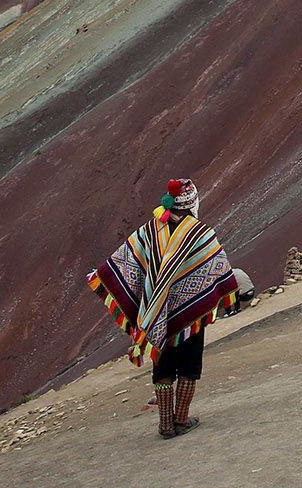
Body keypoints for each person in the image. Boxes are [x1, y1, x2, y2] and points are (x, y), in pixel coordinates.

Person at [89, 178, 237, 438]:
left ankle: (165, 424)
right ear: (191, 203)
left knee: (163, 366)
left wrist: (104, 275)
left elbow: (128, 260)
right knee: (190, 366)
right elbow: (217, 267)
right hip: (191, 315)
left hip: (158, 315)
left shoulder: (150, 230)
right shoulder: (201, 233)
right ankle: (181, 419)